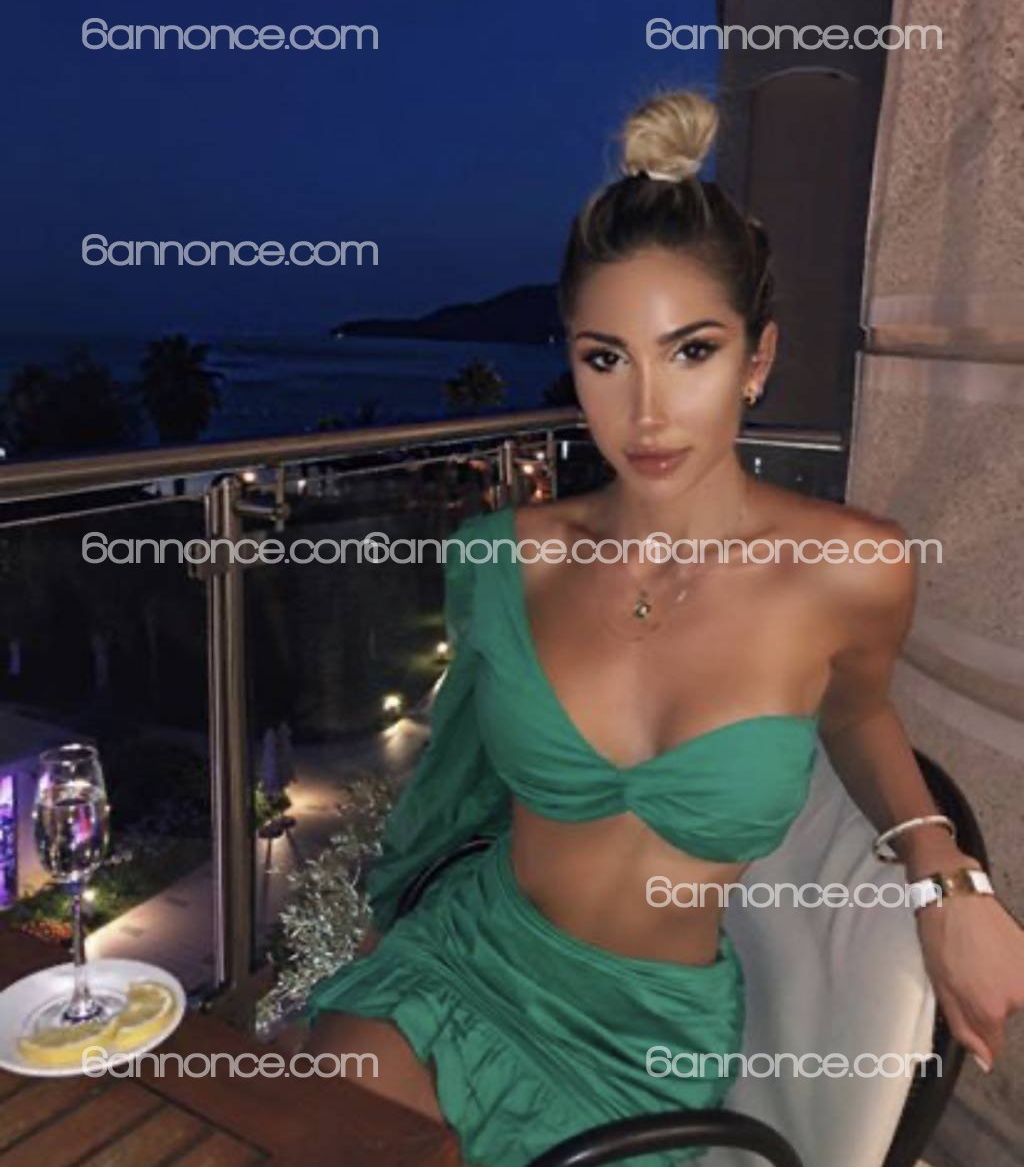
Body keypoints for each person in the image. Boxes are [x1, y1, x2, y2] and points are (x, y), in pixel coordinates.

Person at [297, 90, 1024, 1166]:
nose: (645, 411)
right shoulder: (503, 557)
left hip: (645, 1044)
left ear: (756, 360)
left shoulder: (852, 568)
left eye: (690, 352)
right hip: (463, 966)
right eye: (606, 357)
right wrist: (380, 920)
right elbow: (451, 771)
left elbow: (856, 714)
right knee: (318, 1141)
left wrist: (944, 874)